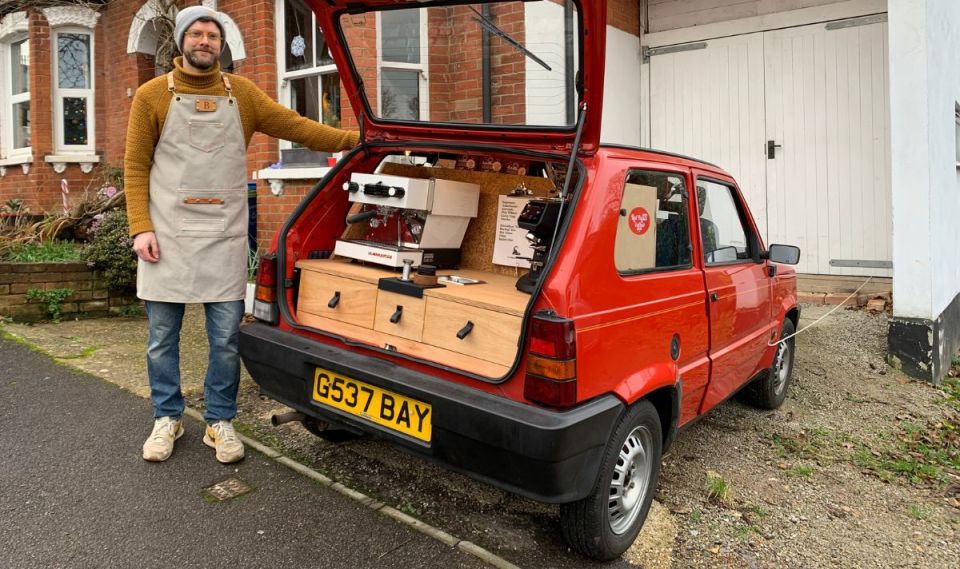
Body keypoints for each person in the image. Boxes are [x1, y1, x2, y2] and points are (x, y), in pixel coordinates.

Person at [125, 6, 359, 464]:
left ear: (220, 45)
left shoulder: (244, 95)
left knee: (227, 337)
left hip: (223, 236)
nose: (205, 41)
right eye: (196, 34)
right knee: (161, 338)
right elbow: (135, 167)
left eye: (212, 35)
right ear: (181, 42)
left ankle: (219, 422)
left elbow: (300, 128)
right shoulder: (152, 96)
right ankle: (166, 417)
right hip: (166, 236)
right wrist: (140, 228)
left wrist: (362, 139)